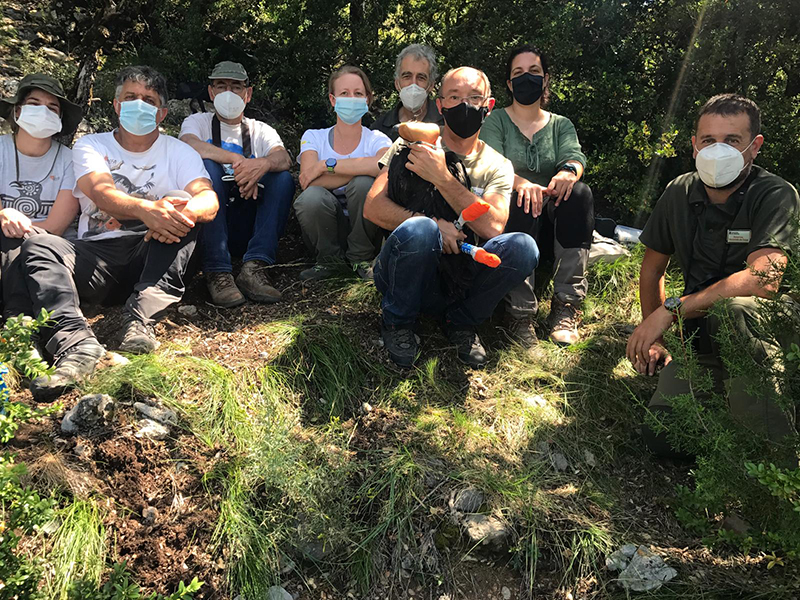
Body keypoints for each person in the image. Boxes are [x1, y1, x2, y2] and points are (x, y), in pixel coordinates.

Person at [21, 65, 218, 402]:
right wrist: (146, 210)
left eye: (149, 99)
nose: (138, 105)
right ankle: (76, 345)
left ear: (163, 113)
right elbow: (101, 193)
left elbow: (208, 199)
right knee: (40, 246)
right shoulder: (91, 146)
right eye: (131, 97)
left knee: (184, 220)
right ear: (116, 105)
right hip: (96, 257)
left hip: (152, 253)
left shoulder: (179, 151)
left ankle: (141, 319)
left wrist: (179, 211)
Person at [626, 94, 799, 454]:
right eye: (708, 141)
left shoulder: (776, 194)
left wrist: (672, 309)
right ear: (694, 145)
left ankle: (773, 473)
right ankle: (737, 425)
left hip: (770, 334)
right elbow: (652, 268)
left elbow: (763, 280)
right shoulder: (679, 192)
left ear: (755, 147)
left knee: (737, 310)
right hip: (704, 344)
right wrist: (654, 336)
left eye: (732, 141)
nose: (717, 151)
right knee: (663, 436)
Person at [364, 66, 539, 368]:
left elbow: (494, 226)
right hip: (408, 269)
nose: (464, 105)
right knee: (419, 229)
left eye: (474, 97)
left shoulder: (498, 166)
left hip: (462, 274)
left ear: (489, 105)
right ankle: (398, 322)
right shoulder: (411, 146)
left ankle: (460, 322)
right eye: (454, 97)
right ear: (440, 104)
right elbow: (373, 207)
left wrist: (443, 178)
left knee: (524, 247)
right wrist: (434, 226)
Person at [480, 46, 593, 346]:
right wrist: (520, 183)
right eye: (518, 73)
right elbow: (490, 162)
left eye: (534, 72)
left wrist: (568, 173)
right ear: (508, 83)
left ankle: (567, 305)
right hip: (516, 222)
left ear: (545, 80)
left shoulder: (560, 124)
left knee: (579, 194)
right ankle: (519, 314)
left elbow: (574, 156)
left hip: (556, 223)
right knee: (517, 197)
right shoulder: (496, 122)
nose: (526, 78)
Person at [179, 61, 294, 307]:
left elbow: (283, 158)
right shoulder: (197, 123)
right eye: (221, 86)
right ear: (211, 93)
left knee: (281, 177)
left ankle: (256, 265)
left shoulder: (260, 130)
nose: (228, 93)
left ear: (248, 93)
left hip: (247, 222)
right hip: (211, 228)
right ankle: (217, 270)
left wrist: (261, 166)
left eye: (236, 86)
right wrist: (238, 161)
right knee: (206, 167)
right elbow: (188, 144)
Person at [294, 66, 392, 281]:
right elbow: (309, 183)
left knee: (364, 184)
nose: (352, 98)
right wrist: (359, 168)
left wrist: (325, 166)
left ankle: (361, 259)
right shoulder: (313, 137)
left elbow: (382, 165)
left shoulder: (378, 139)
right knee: (312, 197)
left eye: (358, 93)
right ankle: (329, 262)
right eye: (344, 93)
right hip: (328, 226)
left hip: (368, 228)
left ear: (368, 99)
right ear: (332, 99)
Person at [0, 73, 81, 319]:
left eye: (52, 107)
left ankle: (19, 319)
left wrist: (17, 227)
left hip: (46, 248)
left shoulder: (71, 160)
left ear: (59, 120)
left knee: (16, 243)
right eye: (34, 104)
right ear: (17, 112)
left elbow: (55, 227)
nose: (42, 111)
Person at [370, 44, 444, 142]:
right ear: (397, 83)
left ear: (431, 85)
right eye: (407, 76)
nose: (413, 84)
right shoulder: (379, 130)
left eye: (421, 77)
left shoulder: (446, 123)